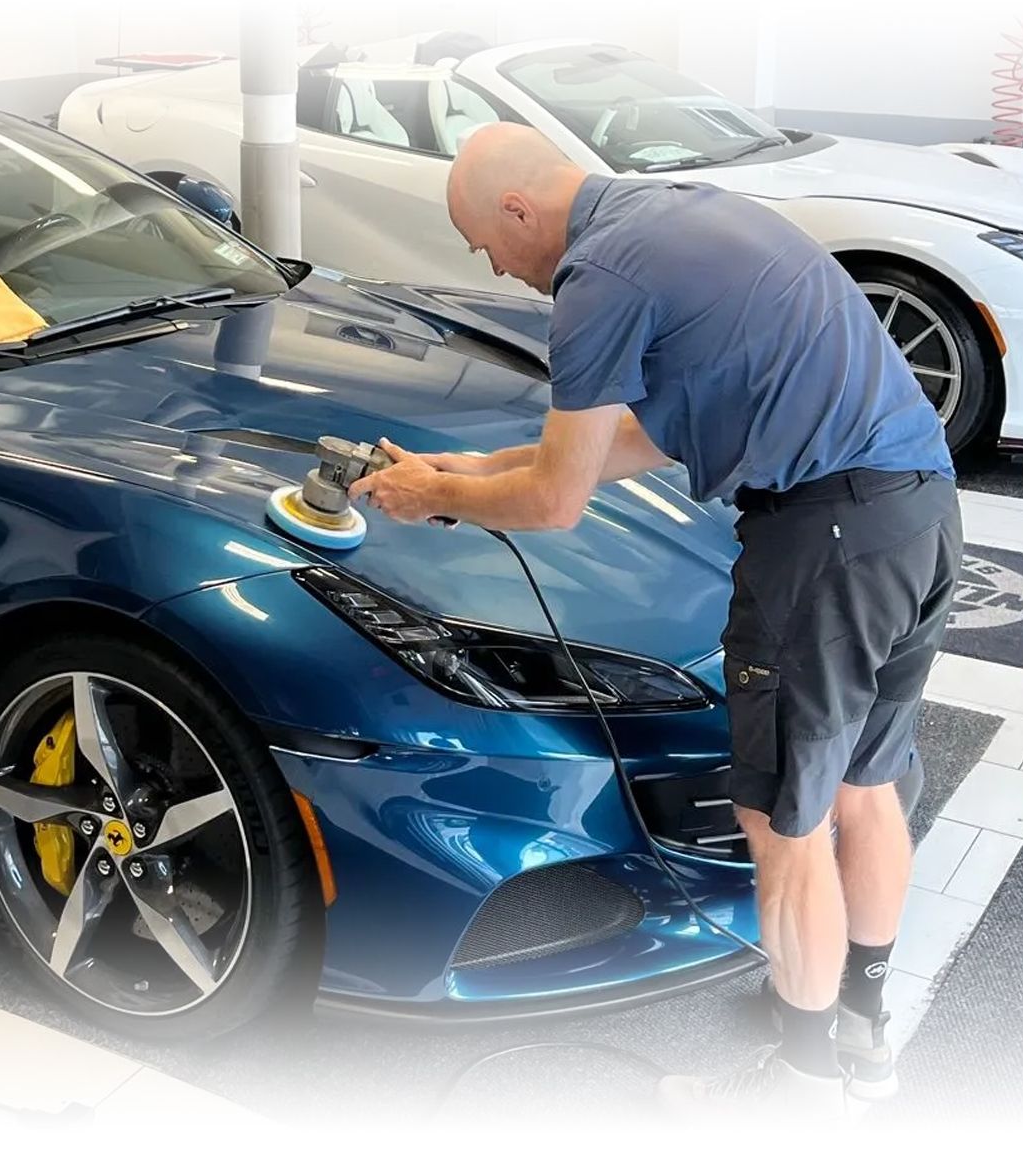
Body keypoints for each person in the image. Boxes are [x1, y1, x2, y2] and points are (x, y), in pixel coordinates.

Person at [350, 124, 962, 1114]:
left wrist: (438, 502)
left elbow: (558, 505)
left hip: (827, 542)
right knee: (864, 781)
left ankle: (803, 1086)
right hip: (918, 512)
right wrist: (473, 470)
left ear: (518, 211)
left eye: (486, 245)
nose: (497, 269)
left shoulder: (597, 278)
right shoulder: (677, 215)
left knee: (782, 824)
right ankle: (859, 1030)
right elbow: (640, 438)